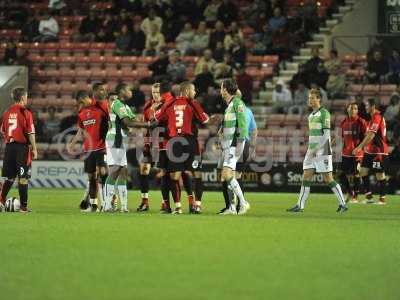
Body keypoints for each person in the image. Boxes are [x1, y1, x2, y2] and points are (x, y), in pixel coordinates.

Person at [287, 88, 348, 213]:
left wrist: (318, 149)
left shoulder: (324, 113)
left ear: (319, 99)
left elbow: (326, 135)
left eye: (312, 98)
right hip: (312, 150)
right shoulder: (311, 115)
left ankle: (343, 204)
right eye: (309, 98)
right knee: (306, 176)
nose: (310, 100)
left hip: (323, 149)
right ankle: (300, 205)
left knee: (328, 178)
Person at [154, 82, 210, 214]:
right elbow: (205, 119)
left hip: (174, 143)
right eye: (193, 90)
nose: (195, 93)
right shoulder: (192, 103)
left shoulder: (170, 103)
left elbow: (157, 116)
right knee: (197, 173)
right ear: (186, 91)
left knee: (175, 175)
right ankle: (197, 205)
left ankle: (178, 207)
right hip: (190, 142)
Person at [102, 84, 149, 212]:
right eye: (128, 89)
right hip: (114, 139)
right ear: (122, 91)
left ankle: (123, 207)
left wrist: (139, 125)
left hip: (121, 140)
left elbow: (131, 121)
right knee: (115, 171)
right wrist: (148, 125)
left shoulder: (125, 106)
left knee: (123, 172)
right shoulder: (117, 104)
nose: (131, 91)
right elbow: (128, 122)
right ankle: (106, 205)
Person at [68, 90, 108, 212]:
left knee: (103, 174)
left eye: (81, 102)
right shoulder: (82, 114)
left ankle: (107, 204)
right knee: (91, 178)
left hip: (101, 147)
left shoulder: (100, 108)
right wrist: (72, 144)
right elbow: (80, 132)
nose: (80, 105)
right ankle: (94, 206)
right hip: (88, 150)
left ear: (86, 98)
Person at [0, 87, 37, 212]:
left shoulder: (7, 112)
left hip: (9, 147)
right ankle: (23, 207)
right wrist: (35, 149)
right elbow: (31, 132)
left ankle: (1, 200)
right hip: (22, 148)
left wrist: (10, 137)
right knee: (23, 177)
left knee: (9, 178)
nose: (27, 99)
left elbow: (2, 130)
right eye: (26, 97)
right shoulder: (25, 112)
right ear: (22, 97)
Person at [218, 79, 250, 215]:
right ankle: (231, 207)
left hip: (235, 143)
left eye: (221, 87)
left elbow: (243, 124)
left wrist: (240, 144)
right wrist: (221, 129)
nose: (220, 90)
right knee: (227, 175)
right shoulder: (230, 105)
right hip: (229, 144)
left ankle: (243, 202)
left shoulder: (237, 103)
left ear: (225, 89)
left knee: (227, 174)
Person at [352, 98, 389, 205]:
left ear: (373, 106)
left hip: (379, 151)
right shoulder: (372, 118)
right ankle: (369, 197)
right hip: (370, 151)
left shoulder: (377, 117)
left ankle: (382, 199)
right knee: (363, 171)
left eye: (367, 106)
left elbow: (371, 135)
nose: (366, 108)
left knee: (379, 175)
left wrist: (359, 147)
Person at [136, 83, 163, 212]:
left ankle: (165, 203)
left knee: (167, 174)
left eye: (157, 92)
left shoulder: (166, 106)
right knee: (143, 169)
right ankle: (145, 202)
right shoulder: (148, 106)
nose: (155, 95)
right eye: (153, 92)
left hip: (164, 144)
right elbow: (144, 126)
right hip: (150, 144)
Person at [340, 103, 367, 203]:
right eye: (351, 108)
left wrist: (360, 148)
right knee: (342, 174)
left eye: (355, 108)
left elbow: (366, 138)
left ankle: (355, 197)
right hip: (346, 153)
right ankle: (349, 192)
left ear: (357, 111)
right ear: (347, 110)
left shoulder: (361, 122)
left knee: (356, 174)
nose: (353, 110)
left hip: (357, 154)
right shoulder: (344, 122)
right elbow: (342, 138)